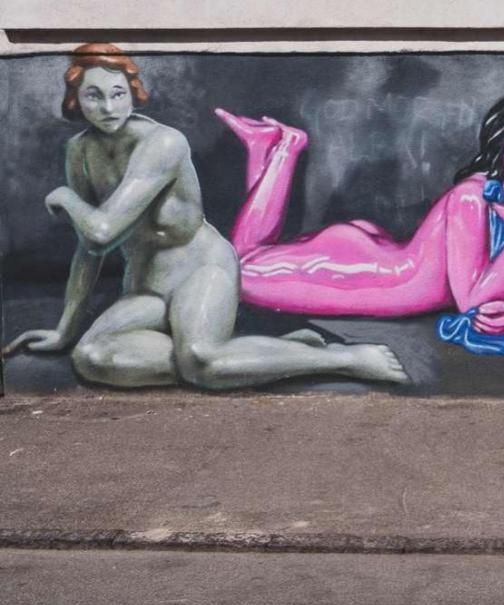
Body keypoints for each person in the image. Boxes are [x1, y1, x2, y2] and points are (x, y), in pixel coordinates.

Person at [2, 43, 408, 389]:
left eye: (118, 93)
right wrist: (65, 331)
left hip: (201, 272)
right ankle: (265, 356)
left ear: (132, 94)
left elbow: (102, 233)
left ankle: (346, 358)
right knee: (92, 357)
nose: (109, 106)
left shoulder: (162, 143)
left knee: (200, 357)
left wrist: (66, 199)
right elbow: (87, 251)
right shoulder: (80, 152)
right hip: (146, 286)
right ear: (76, 98)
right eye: (94, 95)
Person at [215, 88, 504, 355]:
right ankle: (285, 148)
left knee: (253, 258)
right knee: (239, 269)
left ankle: (267, 147)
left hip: (375, 256)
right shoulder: (473, 195)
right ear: (501, 148)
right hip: (366, 274)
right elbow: (474, 301)